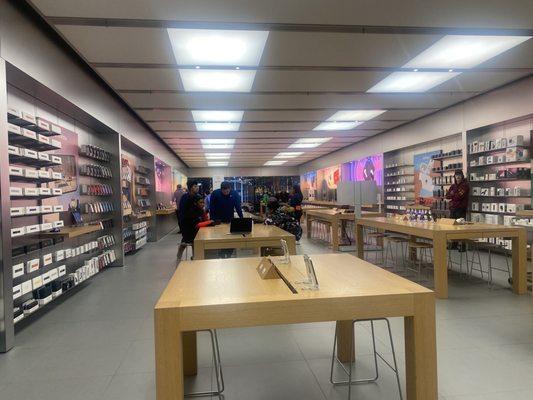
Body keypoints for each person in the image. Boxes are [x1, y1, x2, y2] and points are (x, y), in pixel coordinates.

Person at [210, 181, 243, 258]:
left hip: (230, 219)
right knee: (220, 238)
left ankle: (228, 255)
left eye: (227, 190)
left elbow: (238, 207)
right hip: (218, 220)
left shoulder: (234, 194)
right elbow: (212, 208)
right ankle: (221, 254)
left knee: (230, 239)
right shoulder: (215, 193)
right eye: (224, 190)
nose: (226, 192)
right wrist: (212, 220)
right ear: (221, 189)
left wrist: (241, 219)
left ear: (230, 189)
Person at [177, 194, 215, 261]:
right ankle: (193, 257)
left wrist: (206, 215)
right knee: (194, 241)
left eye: (203, 202)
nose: (203, 204)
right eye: (201, 202)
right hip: (190, 232)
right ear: (195, 203)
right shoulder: (191, 211)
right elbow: (197, 224)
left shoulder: (201, 210)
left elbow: (205, 220)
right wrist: (209, 222)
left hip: (198, 232)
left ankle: (194, 256)